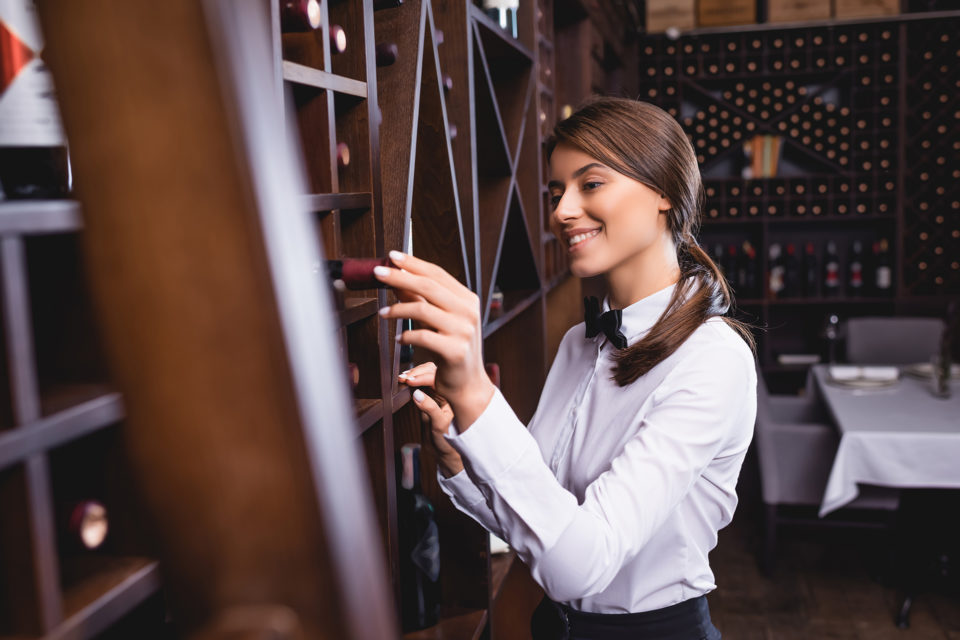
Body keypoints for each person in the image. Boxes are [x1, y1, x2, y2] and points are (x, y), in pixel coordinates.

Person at [374, 97, 757, 640]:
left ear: (665, 192)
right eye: (556, 193)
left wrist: (479, 394)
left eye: (590, 184)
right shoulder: (581, 343)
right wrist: (460, 462)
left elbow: (583, 561)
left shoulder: (713, 359)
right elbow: (543, 526)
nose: (561, 211)